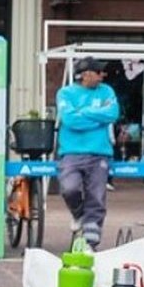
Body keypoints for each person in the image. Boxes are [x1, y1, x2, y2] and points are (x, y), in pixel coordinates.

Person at [56, 57, 119, 248]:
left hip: (99, 153)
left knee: (97, 195)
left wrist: (82, 112)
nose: (102, 76)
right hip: (71, 152)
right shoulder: (65, 93)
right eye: (98, 72)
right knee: (69, 188)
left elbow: (113, 114)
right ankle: (78, 214)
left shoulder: (107, 91)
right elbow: (69, 120)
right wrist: (97, 117)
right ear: (86, 75)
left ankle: (91, 242)